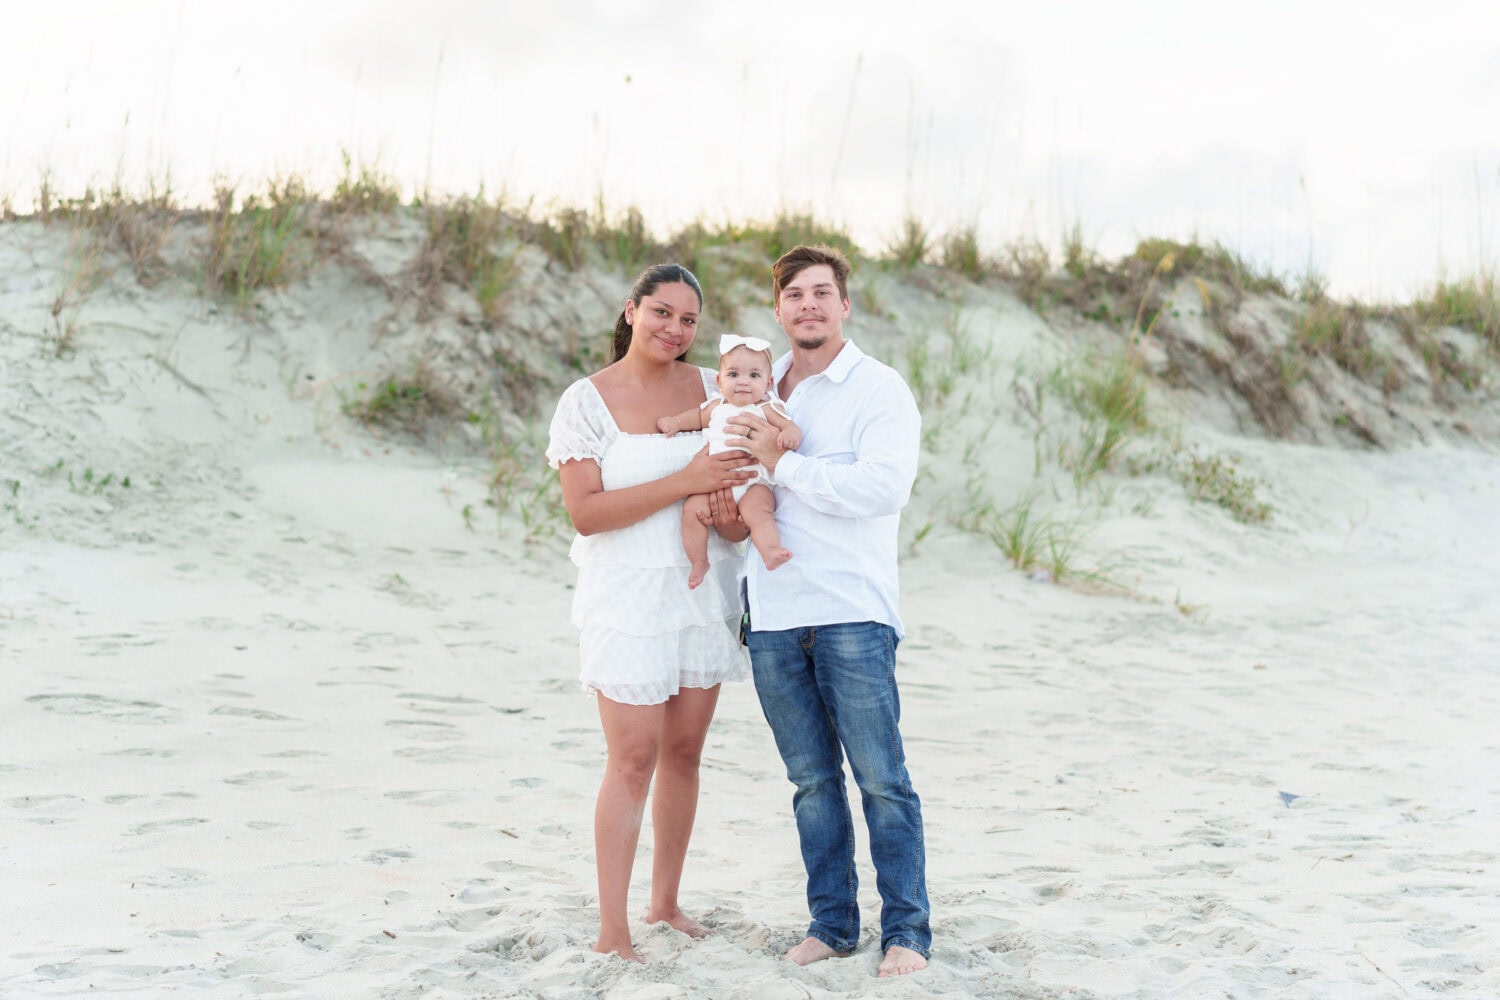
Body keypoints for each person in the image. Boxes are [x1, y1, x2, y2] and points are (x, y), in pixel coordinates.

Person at [725, 244, 931, 978]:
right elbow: (734, 477)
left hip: (853, 612)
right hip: (775, 616)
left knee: (881, 779)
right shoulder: (756, 389)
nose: (807, 305)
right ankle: (833, 923)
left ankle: (907, 930)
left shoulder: (879, 389)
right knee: (811, 783)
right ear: (778, 309)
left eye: (822, 293)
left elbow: (880, 489)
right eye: (794, 295)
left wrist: (785, 467)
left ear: (845, 305)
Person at [545, 263, 755, 962]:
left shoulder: (714, 389)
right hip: (627, 596)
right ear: (631, 311)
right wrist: (684, 481)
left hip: (702, 591)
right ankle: (614, 930)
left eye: (689, 320)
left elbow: (737, 508)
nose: (675, 329)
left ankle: (666, 903)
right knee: (633, 757)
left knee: (685, 754)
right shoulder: (587, 401)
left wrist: (727, 513)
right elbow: (587, 513)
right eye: (662, 312)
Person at [657, 333, 801, 587]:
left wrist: (789, 434)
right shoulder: (716, 406)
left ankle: (770, 551)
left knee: (760, 512)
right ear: (719, 380)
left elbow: (790, 426)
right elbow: (696, 418)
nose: (743, 382)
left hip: (753, 482)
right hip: (713, 483)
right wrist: (676, 422)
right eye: (733, 375)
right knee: (692, 511)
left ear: (768, 383)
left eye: (754, 376)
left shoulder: (766, 408)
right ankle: (699, 561)